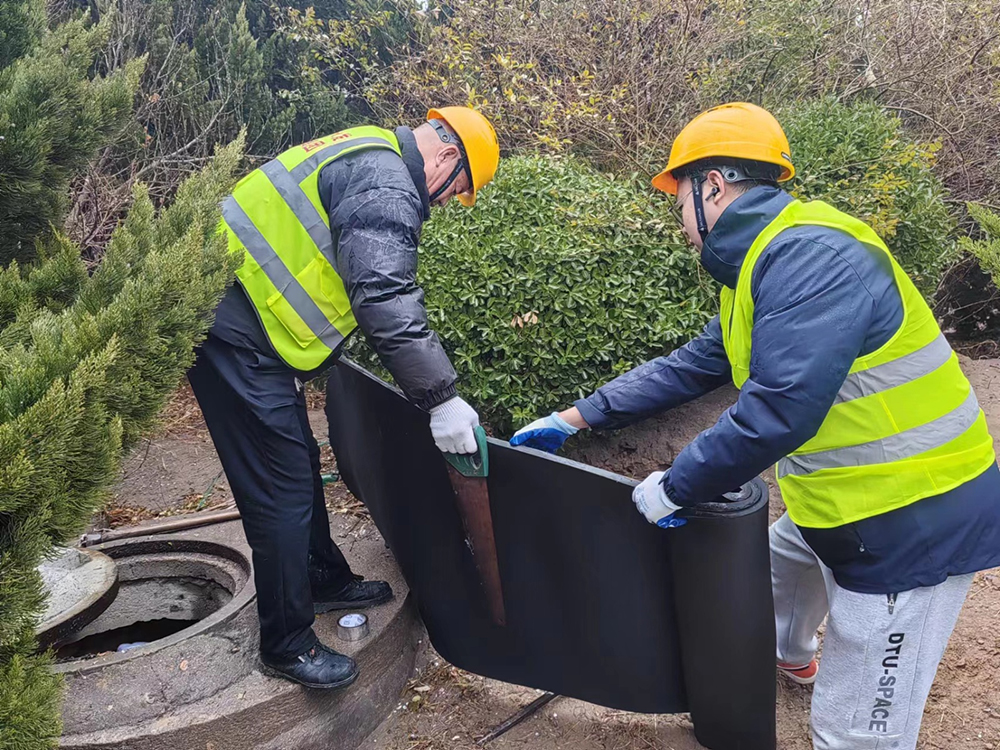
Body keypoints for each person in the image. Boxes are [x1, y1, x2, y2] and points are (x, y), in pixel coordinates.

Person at [510, 102, 1000, 749]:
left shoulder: (813, 259)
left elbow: (778, 410)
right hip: (848, 499)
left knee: (854, 731)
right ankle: (790, 657)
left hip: (913, 519)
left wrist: (675, 487)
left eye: (678, 205)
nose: (681, 225)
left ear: (712, 186)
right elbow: (694, 364)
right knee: (771, 577)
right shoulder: (763, 264)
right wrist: (573, 417)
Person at [189, 107, 500, 689]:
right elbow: (382, 293)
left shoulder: (367, 149)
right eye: (456, 189)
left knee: (298, 463)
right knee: (279, 487)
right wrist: (442, 399)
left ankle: (320, 577)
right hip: (235, 329)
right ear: (448, 156)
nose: (445, 201)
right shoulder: (386, 182)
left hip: (245, 323)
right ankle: (287, 643)